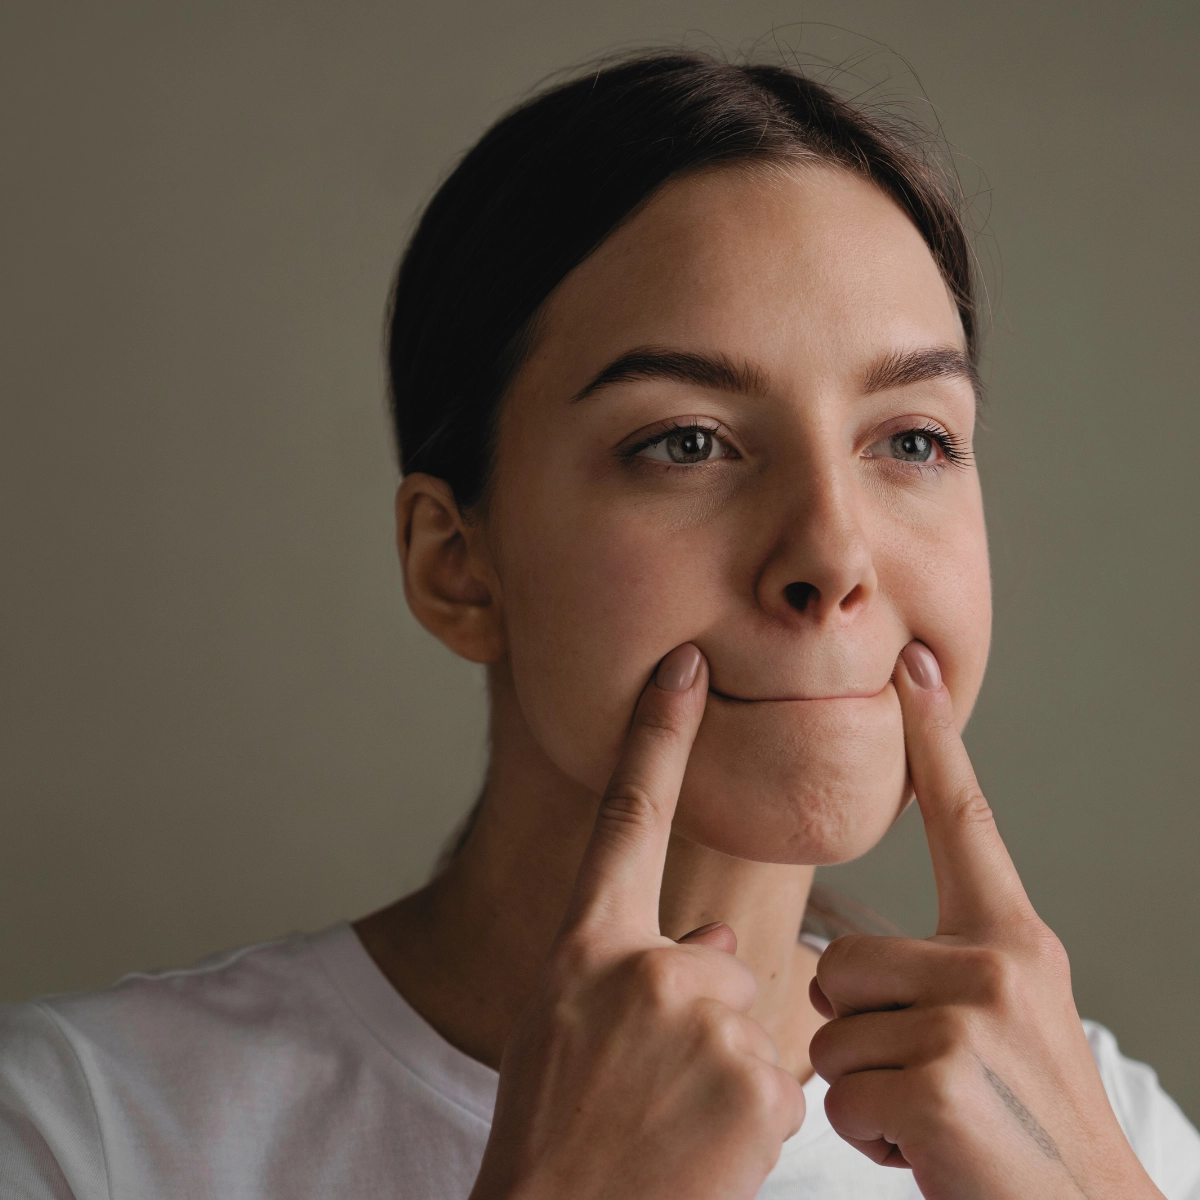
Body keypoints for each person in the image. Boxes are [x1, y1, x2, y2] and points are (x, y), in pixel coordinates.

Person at [2, 50, 1197, 1200]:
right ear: (458, 565)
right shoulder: (81, 1134)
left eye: (914, 440)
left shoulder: (1115, 1129)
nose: (832, 557)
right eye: (686, 442)